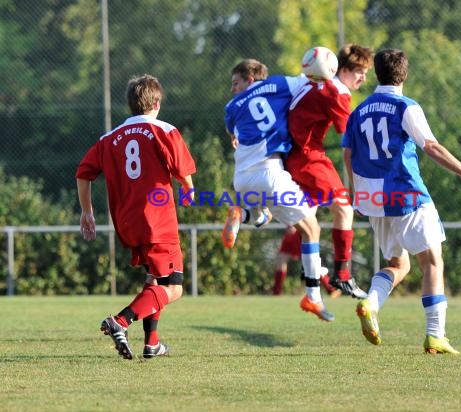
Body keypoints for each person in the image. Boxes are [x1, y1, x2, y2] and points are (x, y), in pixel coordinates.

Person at [342, 48, 461, 354]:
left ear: (378, 73)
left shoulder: (358, 111)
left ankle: (370, 302)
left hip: (372, 197)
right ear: (404, 74)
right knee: (432, 261)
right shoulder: (405, 106)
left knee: (398, 264)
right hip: (405, 192)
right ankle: (435, 334)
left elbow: (348, 153)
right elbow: (431, 147)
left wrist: (357, 190)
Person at [76, 74, 197, 359]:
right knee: (174, 287)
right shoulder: (164, 130)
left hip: (127, 222)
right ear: (156, 102)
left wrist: (87, 212)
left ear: (131, 104)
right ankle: (120, 321)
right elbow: (184, 173)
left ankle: (151, 343)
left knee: (155, 279)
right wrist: (189, 192)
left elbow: (83, 173)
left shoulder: (109, 138)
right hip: (157, 221)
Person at [223, 59, 334, 322]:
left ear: (250, 78)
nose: (232, 89)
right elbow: (311, 78)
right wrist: (326, 66)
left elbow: (234, 134)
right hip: (270, 173)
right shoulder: (279, 84)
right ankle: (313, 296)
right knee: (312, 230)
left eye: (235, 83)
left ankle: (243, 215)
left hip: (242, 179)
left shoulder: (231, 107)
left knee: (265, 218)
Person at [285, 43, 374, 299]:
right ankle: (342, 276)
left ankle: (315, 272)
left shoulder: (310, 82)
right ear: (343, 69)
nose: (363, 78)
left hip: (293, 156)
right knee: (344, 208)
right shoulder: (336, 91)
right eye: (360, 71)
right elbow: (348, 131)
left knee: (308, 220)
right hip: (309, 156)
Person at [271, 226, 339, 297]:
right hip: (291, 240)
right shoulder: (288, 235)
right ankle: (276, 291)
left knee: (314, 265)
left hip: (304, 240)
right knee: (280, 261)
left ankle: (331, 290)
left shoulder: (303, 229)